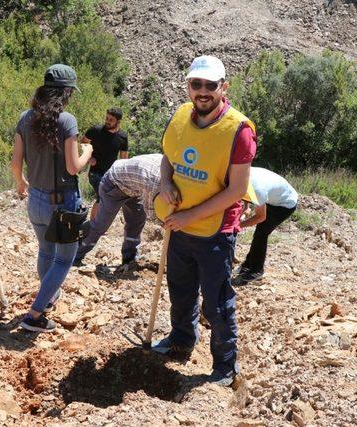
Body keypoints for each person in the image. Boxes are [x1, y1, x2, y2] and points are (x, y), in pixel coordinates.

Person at [154, 55, 257, 387]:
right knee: (181, 292)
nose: (202, 92)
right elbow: (168, 159)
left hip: (215, 233)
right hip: (178, 227)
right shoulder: (182, 115)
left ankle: (225, 367)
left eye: (210, 86)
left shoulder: (238, 131)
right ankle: (181, 341)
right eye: (195, 84)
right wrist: (166, 184)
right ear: (188, 86)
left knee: (216, 303)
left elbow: (237, 191)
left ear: (223, 87)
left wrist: (188, 217)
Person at [11, 64, 93, 333]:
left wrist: (21, 183)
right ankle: (34, 315)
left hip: (35, 199)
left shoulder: (25, 117)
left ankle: (47, 298)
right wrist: (87, 152)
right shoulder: (66, 121)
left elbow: (15, 163)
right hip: (63, 202)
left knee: (46, 251)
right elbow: (73, 167)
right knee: (64, 259)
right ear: (66, 92)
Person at [74, 153, 162, 267]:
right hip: (113, 183)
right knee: (101, 225)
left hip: (134, 186)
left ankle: (129, 258)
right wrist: (167, 222)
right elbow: (151, 211)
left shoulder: (168, 168)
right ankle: (75, 255)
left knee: (136, 222)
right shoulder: (155, 180)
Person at [233, 167, 298, 285]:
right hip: (273, 197)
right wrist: (246, 208)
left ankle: (257, 270)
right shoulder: (241, 172)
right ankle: (248, 265)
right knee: (259, 233)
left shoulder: (258, 190)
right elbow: (241, 191)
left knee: (261, 233)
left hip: (285, 204)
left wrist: (238, 225)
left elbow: (260, 217)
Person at [82, 107, 128, 220]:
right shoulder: (95, 130)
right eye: (106, 118)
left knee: (107, 198)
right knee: (102, 197)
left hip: (111, 174)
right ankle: (94, 225)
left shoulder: (123, 137)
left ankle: (98, 224)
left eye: (111, 119)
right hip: (95, 172)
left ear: (118, 121)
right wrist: (89, 157)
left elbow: (124, 159)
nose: (107, 121)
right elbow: (83, 143)